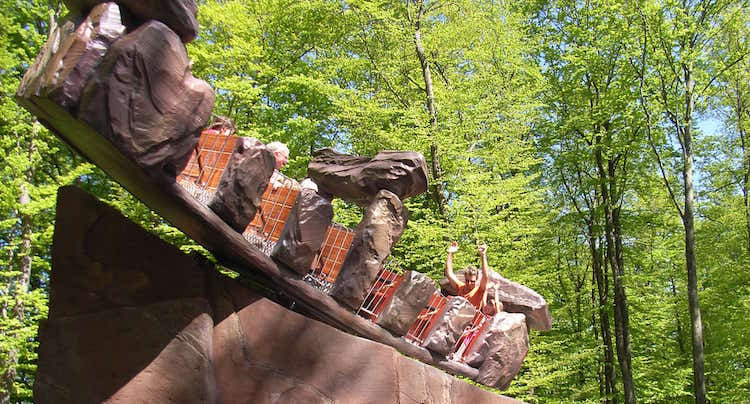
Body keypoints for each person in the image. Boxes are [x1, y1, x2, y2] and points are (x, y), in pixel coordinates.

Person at [444, 241, 502, 315]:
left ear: (477, 279)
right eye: (467, 281)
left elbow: (485, 276)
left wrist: (483, 255)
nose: (469, 283)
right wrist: (450, 253)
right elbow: (449, 273)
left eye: (472, 281)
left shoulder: (479, 290)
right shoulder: (461, 287)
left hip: (470, 320)